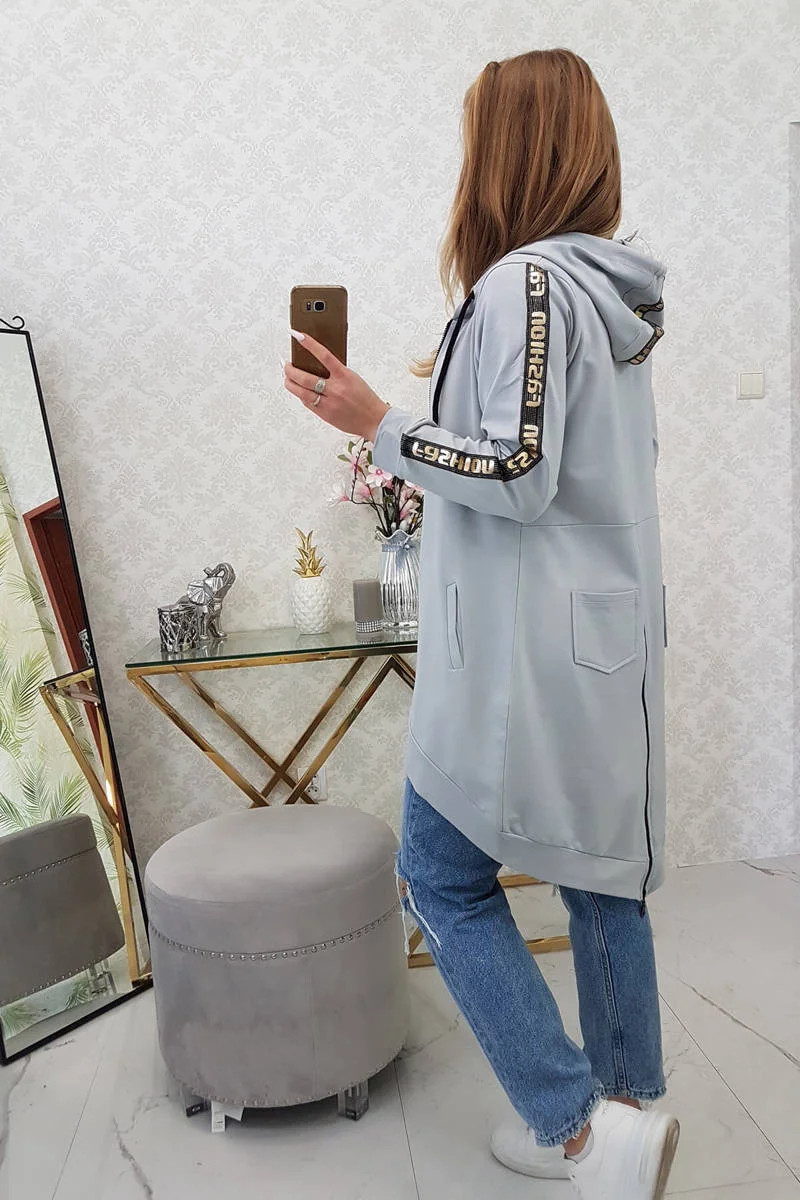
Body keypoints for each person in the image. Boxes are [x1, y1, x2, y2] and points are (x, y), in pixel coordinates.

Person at [283, 47, 679, 1200]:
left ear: (505, 150)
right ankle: (623, 1120)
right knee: (600, 876)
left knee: (436, 875)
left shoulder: (528, 285)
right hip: (592, 643)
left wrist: (376, 422)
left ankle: (575, 1131)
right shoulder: (603, 293)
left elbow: (515, 469)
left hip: (524, 658)